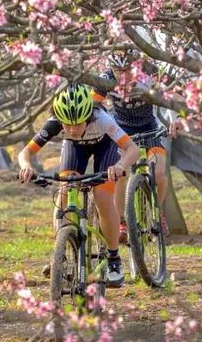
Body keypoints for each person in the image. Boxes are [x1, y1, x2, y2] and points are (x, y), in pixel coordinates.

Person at [18, 82, 140, 287]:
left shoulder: (102, 119)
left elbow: (132, 149)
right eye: (67, 125)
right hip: (75, 149)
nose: (72, 129)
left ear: (88, 117)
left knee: (102, 197)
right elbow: (26, 152)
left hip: (105, 147)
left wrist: (120, 165)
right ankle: (60, 253)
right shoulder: (56, 122)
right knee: (65, 191)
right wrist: (26, 167)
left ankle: (113, 259)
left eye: (77, 124)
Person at [93, 51, 182, 243]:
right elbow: (94, 105)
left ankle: (157, 213)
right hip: (121, 128)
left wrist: (176, 120)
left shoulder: (147, 75)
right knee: (119, 173)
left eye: (127, 70)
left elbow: (171, 97)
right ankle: (122, 222)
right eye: (118, 71)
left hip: (149, 125)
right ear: (111, 69)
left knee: (158, 173)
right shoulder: (105, 79)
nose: (123, 75)